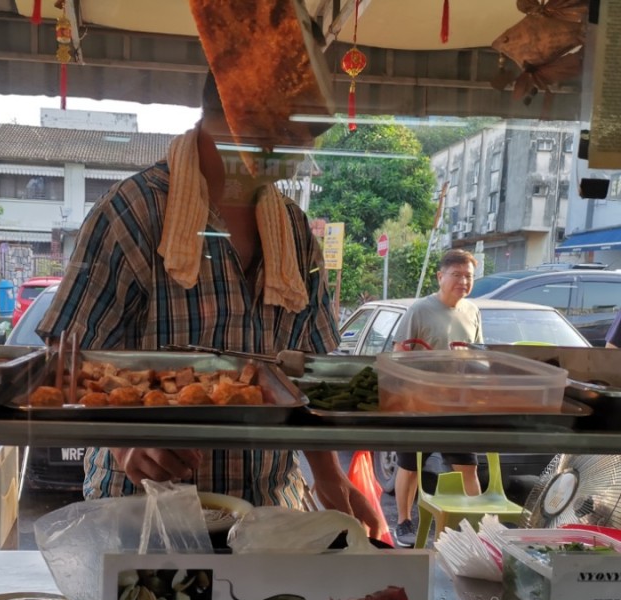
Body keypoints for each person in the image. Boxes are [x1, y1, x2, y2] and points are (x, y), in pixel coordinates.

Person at [36, 71, 382, 538]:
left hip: (269, 514)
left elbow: (306, 374)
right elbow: (66, 359)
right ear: (246, 122)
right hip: (146, 514)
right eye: (292, 136)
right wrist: (124, 444)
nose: (301, 155)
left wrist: (328, 475)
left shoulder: (294, 231)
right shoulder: (132, 213)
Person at [389, 249, 483, 547]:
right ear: (440, 276)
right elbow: (399, 353)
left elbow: (477, 355)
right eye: (456, 275)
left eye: (468, 276)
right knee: (410, 466)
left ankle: (477, 527)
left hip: (458, 405)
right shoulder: (420, 310)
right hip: (419, 404)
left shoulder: (472, 311)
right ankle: (403, 522)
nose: (463, 281)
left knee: (468, 466)